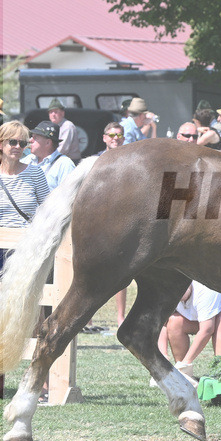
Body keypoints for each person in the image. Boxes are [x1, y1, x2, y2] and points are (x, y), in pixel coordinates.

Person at [0, 121, 50, 400]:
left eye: (24, 143)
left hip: (30, 250)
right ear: (0, 145)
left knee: (35, 315)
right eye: (13, 142)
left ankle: (39, 384)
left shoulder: (36, 174)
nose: (19, 147)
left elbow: (48, 213)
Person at [159, 281, 221, 382]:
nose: (177, 292)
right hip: (208, 317)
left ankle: (220, 374)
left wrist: (187, 362)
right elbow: (163, 324)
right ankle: (183, 376)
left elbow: (207, 330)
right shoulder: (168, 294)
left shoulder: (205, 290)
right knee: (175, 321)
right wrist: (163, 357)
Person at [99, 122, 129, 327]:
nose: (115, 138)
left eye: (118, 135)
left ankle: (120, 316)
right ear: (104, 137)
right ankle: (87, 317)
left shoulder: (130, 160)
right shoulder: (97, 161)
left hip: (122, 220)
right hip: (99, 220)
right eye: (111, 134)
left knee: (123, 270)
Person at [22, 121, 76, 190]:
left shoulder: (65, 164)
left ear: (48, 143)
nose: (30, 140)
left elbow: (68, 195)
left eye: (35, 138)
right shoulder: (27, 160)